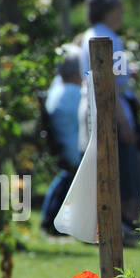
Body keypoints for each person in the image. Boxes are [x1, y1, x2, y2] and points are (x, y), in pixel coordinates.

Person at [78, 0, 140, 244]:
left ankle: (110, 225)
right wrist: (123, 121)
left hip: (92, 107)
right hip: (110, 110)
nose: (122, 12)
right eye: (119, 8)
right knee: (124, 169)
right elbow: (110, 83)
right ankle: (123, 225)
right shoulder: (110, 38)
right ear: (108, 10)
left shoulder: (88, 35)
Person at [40, 46, 82, 237]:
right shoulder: (73, 93)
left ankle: (48, 219)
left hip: (63, 145)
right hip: (73, 149)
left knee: (65, 178)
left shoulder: (58, 89)